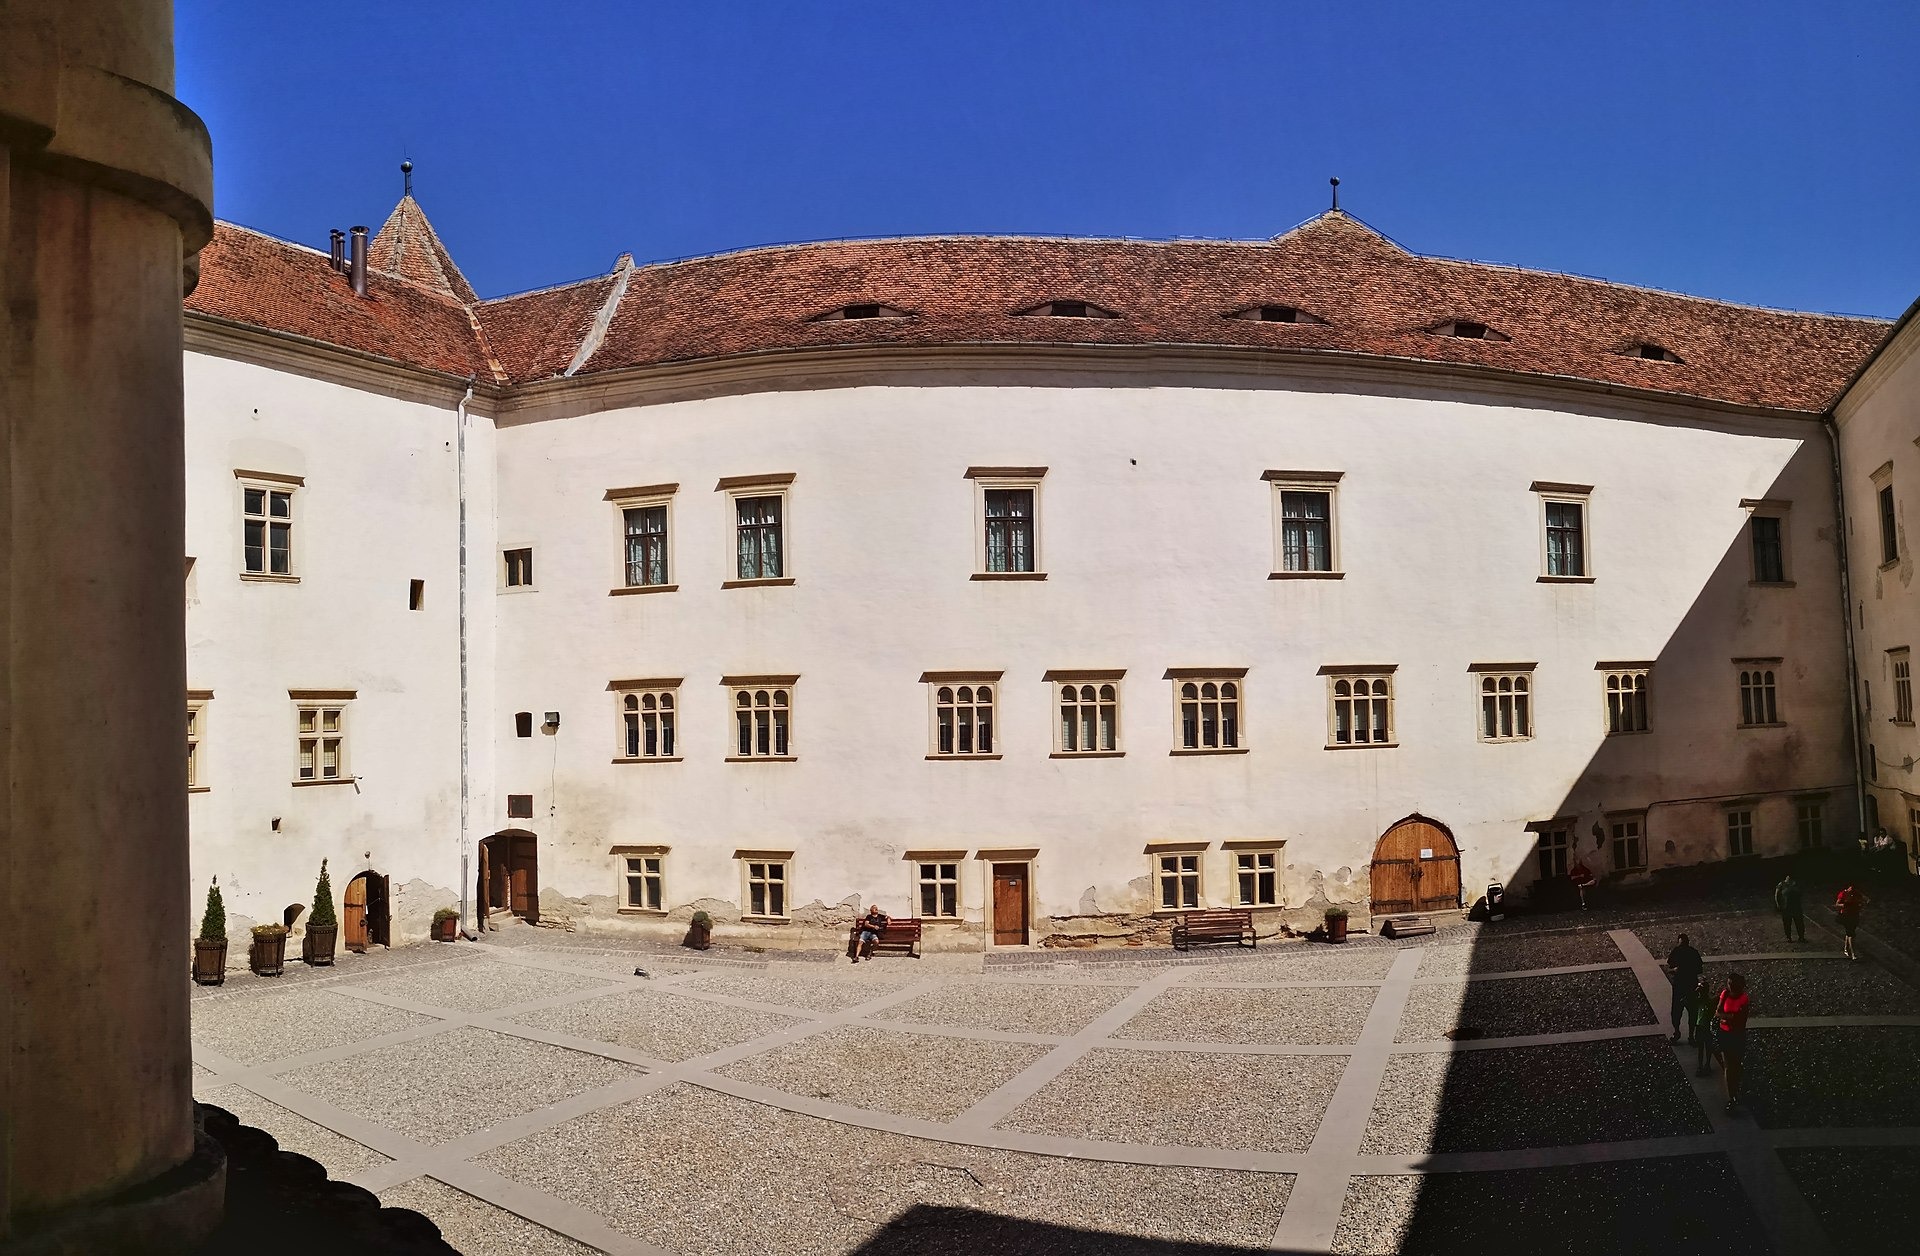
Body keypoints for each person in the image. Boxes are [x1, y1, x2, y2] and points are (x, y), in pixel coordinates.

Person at [1715, 972, 1751, 1113]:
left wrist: (1726, 1017)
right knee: (1729, 1067)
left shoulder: (1743, 999)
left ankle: (1737, 1089)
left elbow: (1741, 1020)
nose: (1728, 985)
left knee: (1736, 1064)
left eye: (1731, 983)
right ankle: (1732, 1096)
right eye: (1728, 982)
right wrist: (1729, 1017)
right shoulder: (1725, 994)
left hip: (1737, 1035)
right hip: (1726, 1034)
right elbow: (1718, 1013)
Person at [1664, 932, 1704, 1042]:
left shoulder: (1682, 952)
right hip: (1682, 987)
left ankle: (1687, 1034)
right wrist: (1674, 970)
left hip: (1687, 987)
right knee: (1679, 1012)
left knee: (1690, 1012)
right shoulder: (1689, 953)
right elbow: (1669, 969)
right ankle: (1681, 1033)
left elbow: (1699, 970)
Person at [1688, 976, 1716, 1077]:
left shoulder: (1702, 1001)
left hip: (1701, 1026)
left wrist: (1696, 991)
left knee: (1703, 1047)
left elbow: (1689, 1000)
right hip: (1704, 1026)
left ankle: (1702, 1065)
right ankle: (1706, 1065)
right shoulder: (1707, 1001)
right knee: (1706, 1047)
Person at [1835, 884, 1869, 960]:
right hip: (1846, 915)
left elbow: (1867, 900)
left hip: (1855, 915)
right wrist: (1845, 905)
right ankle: (1853, 952)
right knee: (1851, 934)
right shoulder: (1843, 894)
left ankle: (1846, 949)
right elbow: (1837, 904)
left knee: (1849, 932)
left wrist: (1861, 905)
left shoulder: (1857, 893)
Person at [1773, 873, 1805, 943]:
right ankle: (1788, 937)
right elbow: (1776, 894)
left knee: (1799, 923)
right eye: (1788, 876)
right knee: (1787, 923)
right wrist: (1778, 904)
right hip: (1786, 907)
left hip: (1796, 907)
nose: (1789, 878)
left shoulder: (1796, 884)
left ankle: (1801, 937)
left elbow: (1801, 893)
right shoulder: (1781, 884)